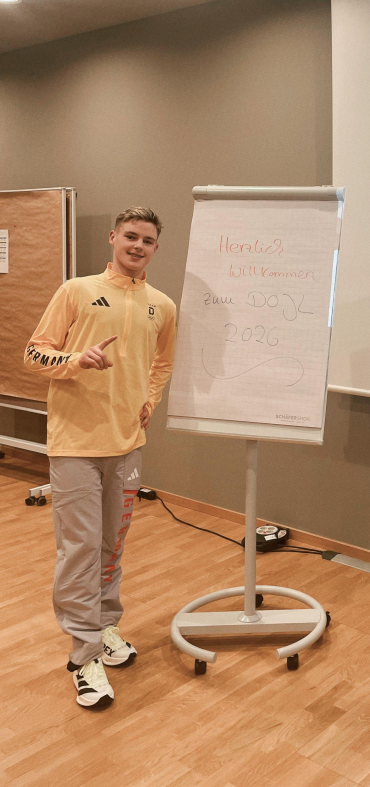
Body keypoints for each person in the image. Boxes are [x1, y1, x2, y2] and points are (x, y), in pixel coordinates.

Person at [24, 206, 176, 709]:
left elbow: (163, 362)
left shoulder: (162, 305)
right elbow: (34, 353)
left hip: (127, 445)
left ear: (156, 248)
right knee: (80, 550)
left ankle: (105, 626)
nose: (138, 246)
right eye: (130, 236)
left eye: (147, 241)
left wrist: (150, 399)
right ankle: (83, 656)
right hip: (75, 446)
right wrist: (76, 359)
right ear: (113, 238)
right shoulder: (77, 290)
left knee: (111, 546)